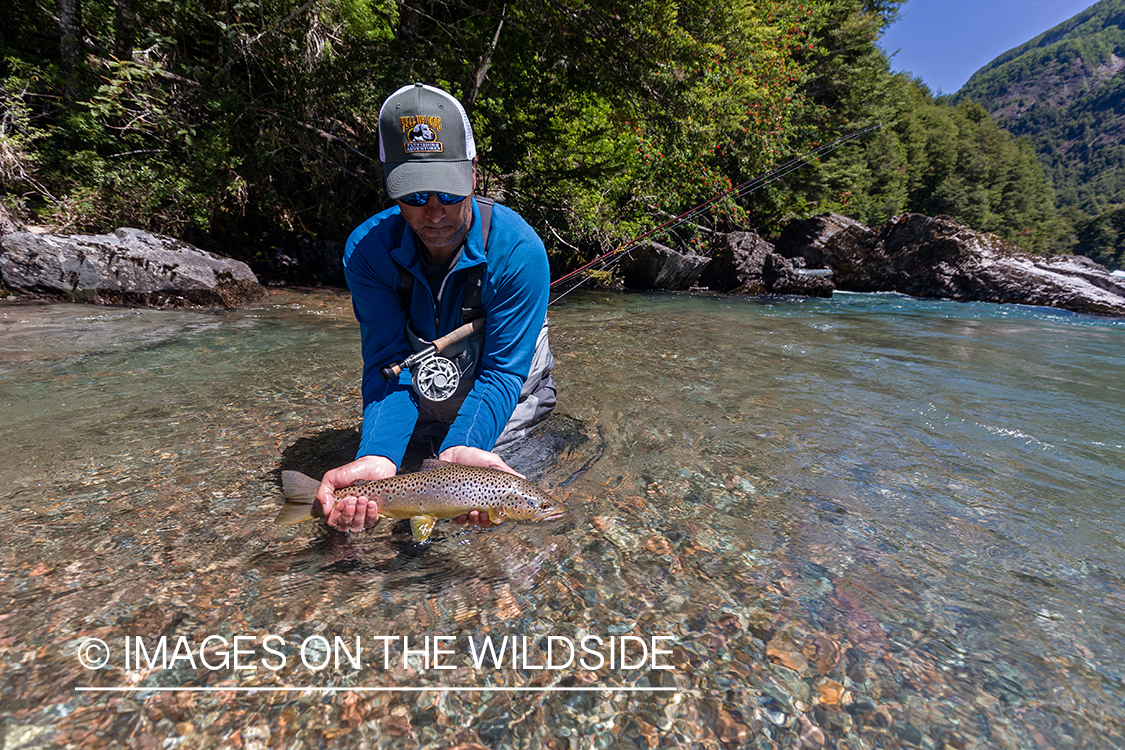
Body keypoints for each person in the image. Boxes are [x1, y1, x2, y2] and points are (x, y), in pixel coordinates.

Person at [316, 82, 556, 533]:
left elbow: (503, 373)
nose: (434, 213)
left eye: (448, 194)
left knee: (511, 516)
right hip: (423, 382)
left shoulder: (519, 251)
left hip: (505, 385)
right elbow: (389, 365)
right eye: (413, 196)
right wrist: (378, 454)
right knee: (371, 519)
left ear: (473, 175)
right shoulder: (368, 252)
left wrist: (462, 453)